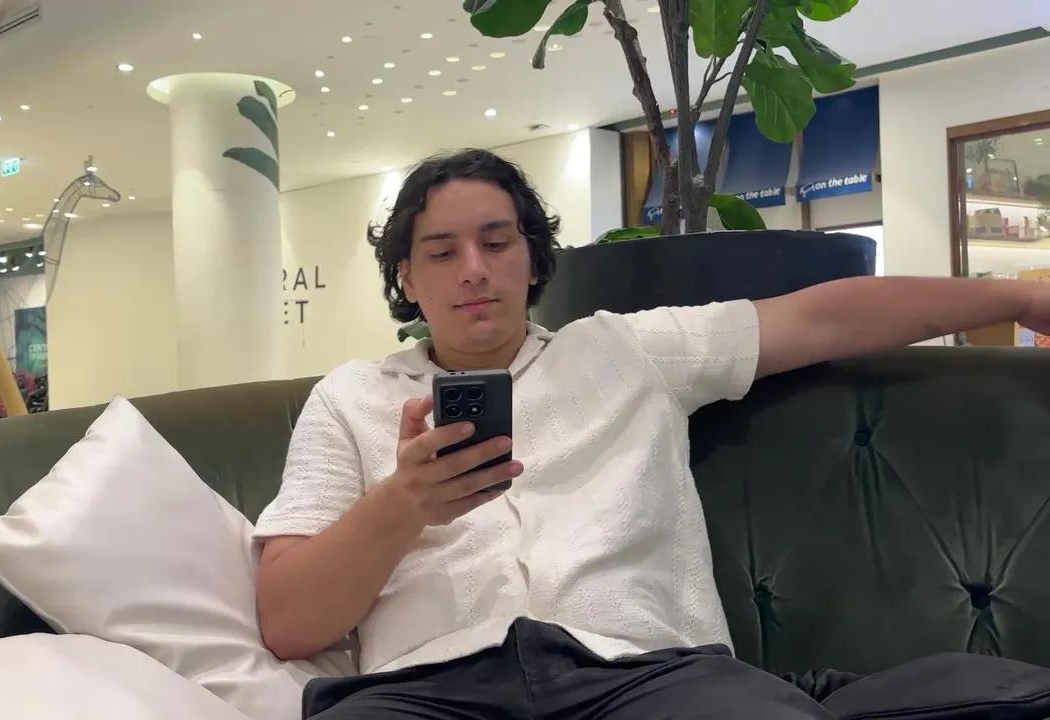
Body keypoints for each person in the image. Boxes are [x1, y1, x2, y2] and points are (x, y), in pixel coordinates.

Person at [251, 148, 1050, 719]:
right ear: (405, 275)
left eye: (496, 243)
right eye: (441, 251)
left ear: (533, 261)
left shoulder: (630, 349)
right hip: (424, 691)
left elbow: (820, 318)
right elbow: (288, 622)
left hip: (648, 678)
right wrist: (400, 507)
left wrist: (1016, 300)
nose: (474, 268)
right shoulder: (349, 398)